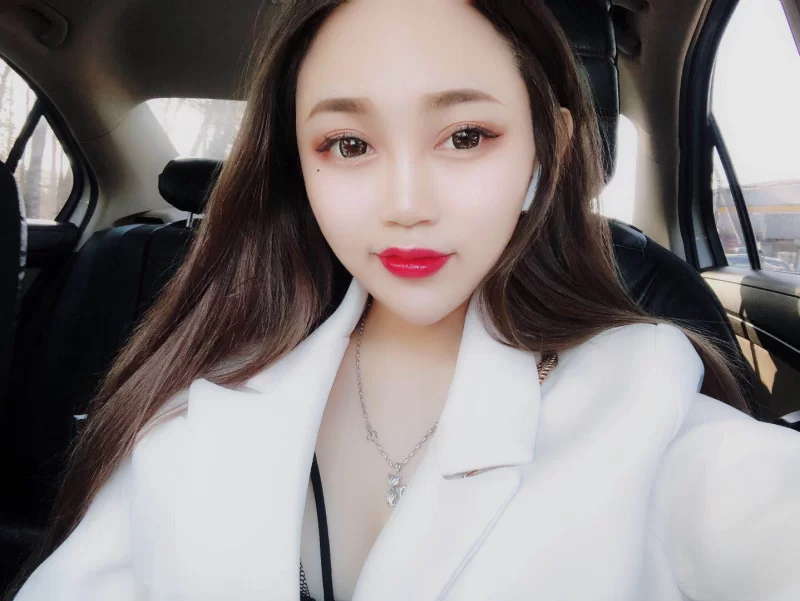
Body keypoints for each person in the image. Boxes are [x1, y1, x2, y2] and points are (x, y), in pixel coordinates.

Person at [8, 0, 800, 600]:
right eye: (349, 144)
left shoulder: (645, 394)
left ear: (549, 148)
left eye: (465, 136)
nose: (406, 203)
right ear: (299, 165)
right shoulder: (195, 399)